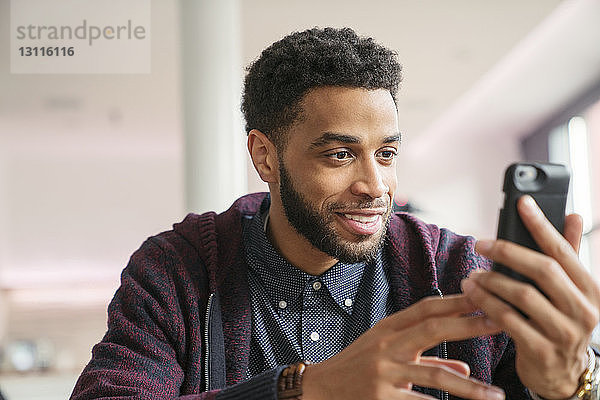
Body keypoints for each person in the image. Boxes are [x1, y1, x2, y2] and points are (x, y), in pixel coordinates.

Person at [70, 27, 600, 400]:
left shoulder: (457, 272)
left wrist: (568, 385)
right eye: (339, 154)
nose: (375, 186)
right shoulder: (179, 270)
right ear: (264, 156)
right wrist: (307, 389)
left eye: (387, 153)